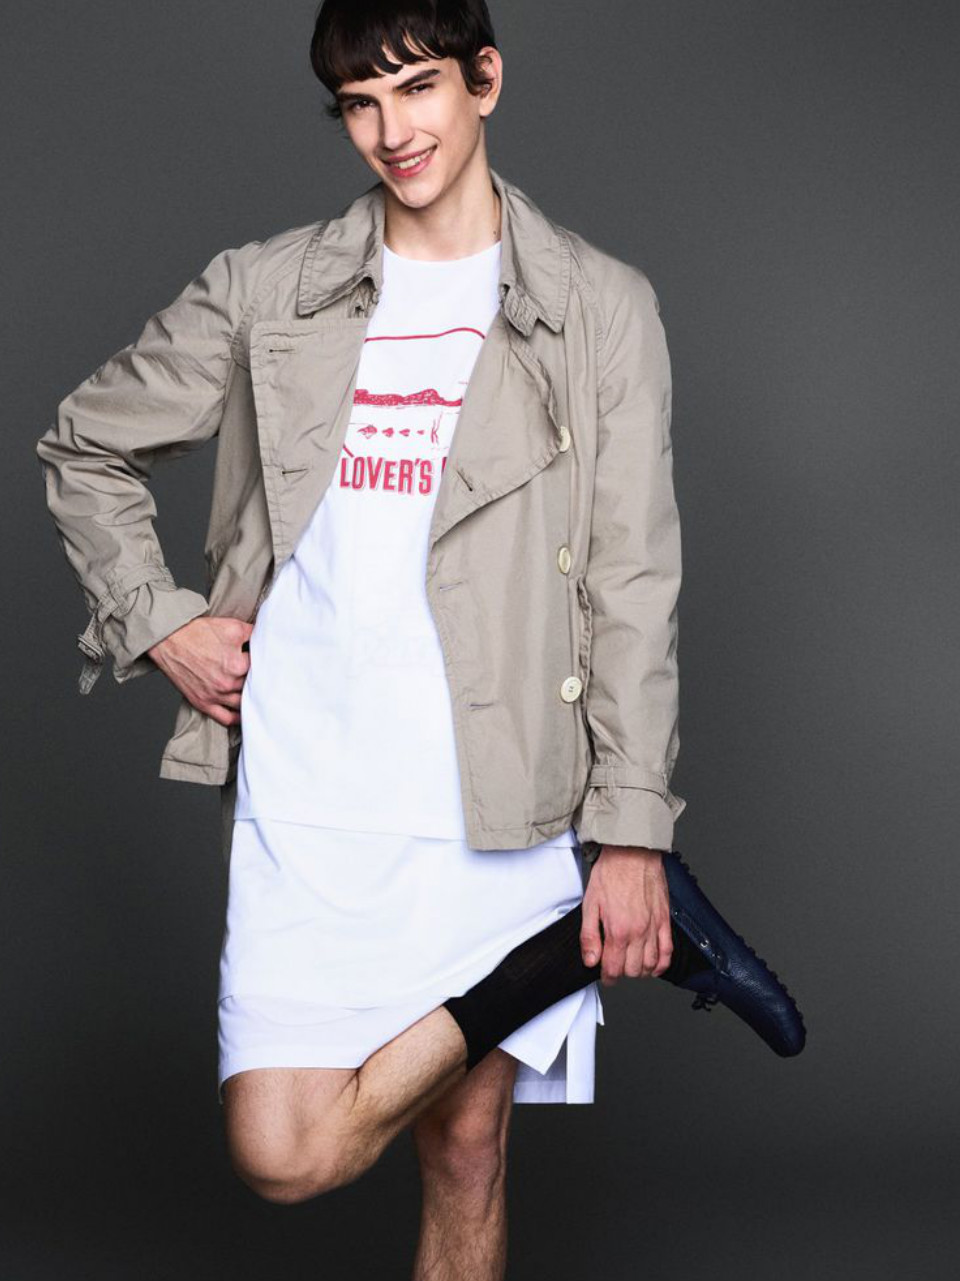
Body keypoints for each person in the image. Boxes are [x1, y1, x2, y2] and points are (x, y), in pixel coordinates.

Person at [36, 2, 804, 1276]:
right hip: (309, 783)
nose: (392, 131)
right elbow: (85, 446)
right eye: (360, 102)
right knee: (285, 1149)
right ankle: (550, 961)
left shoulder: (599, 306)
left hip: (496, 791)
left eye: (419, 88)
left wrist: (630, 832)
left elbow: (632, 580)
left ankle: (562, 931)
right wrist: (160, 621)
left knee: (467, 1148)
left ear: (485, 80)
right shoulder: (265, 288)